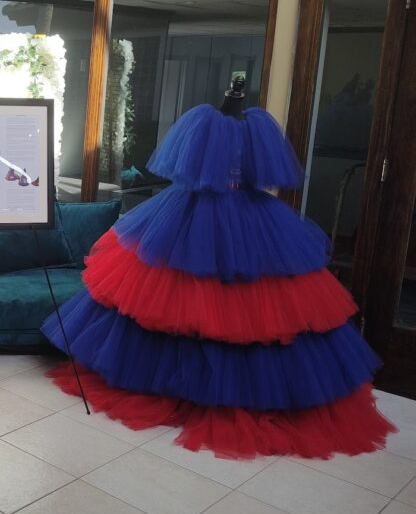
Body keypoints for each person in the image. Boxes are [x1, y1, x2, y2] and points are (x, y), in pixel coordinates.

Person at [42, 92, 395, 459]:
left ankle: (208, 388)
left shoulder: (236, 124)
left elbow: (207, 169)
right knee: (194, 302)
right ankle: (192, 385)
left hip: (212, 215)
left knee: (214, 305)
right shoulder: (230, 123)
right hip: (212, 214)